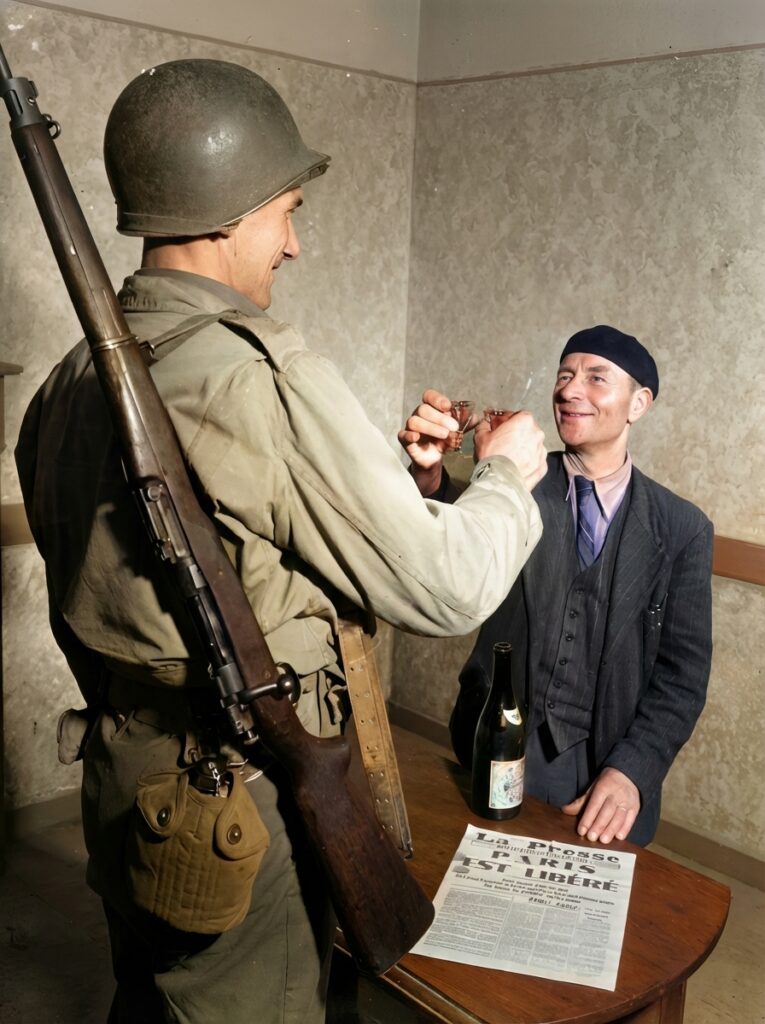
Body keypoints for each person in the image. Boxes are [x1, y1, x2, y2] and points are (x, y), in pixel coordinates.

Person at [14, 59, 548, 1024]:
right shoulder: (248, 372)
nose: (293, 244)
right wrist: (508, 471)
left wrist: (399, 483)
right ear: (227, 213)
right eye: (284, 210)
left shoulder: (62, 389)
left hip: (130, 787)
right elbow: (448, 586)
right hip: (239, 807)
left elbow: (206, 556)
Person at [399, 325, 713, 847]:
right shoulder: (508, 484)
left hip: (606, 769)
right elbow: (452, 543)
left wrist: (632, 771)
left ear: (639, 403)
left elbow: (683, 675)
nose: (570, 389)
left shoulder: (682, 528)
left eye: (596, 378)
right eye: (565, 375)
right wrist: (427, 480)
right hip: (498, 742)